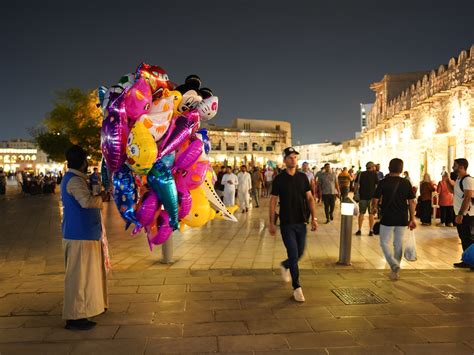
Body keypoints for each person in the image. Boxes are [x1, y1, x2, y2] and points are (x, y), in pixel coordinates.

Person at [61, 145, 107, 330]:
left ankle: (82, 312)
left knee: (84, 277)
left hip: (84, 234)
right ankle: (75, 317)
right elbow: (86, 202)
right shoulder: (75, 181)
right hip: (79, 235)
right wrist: (102, 198)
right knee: (78, 279)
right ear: (82, 162)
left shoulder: (75, 179)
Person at [269, 147, 317, 302]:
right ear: (284, 160)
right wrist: (271, 222)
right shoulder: (279, 179)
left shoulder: (303, 178)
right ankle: (297, 287)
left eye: (295, 157)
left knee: (300, 253)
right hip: (287, 223)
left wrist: (314, 218)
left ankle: (285, 265)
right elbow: (273, 201)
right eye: (290, 157)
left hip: (301, 222)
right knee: (294, 254)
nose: (293, 159)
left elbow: (310, 198)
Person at [372, 158, 416, 280]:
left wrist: (374, 208)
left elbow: (375, 199)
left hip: (387, 217)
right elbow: (412, 201)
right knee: (398, 243)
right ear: (401, 169)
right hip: (402, 217)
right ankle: (394, 271)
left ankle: (393, 263)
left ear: (389, 167)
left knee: (384, 242)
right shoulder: (406, 183)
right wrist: (412, 218)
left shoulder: (383, 182)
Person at [446, 158, 473, 269]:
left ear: (461, 167)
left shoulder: (468, 180)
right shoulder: (459, 179)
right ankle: (467, 260)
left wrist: (461, 214)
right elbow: (453, 192)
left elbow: (467, 197)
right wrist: (447, 181)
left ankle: (472, 261)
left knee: (469, 238)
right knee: (463, 237)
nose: (453, 167)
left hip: (468, 215)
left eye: (455, 165)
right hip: (460, 213)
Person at [354, 162, 378, 236]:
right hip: (372, 197)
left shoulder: (361, 174)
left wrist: (355, 193)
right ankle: (371, 230)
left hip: (362, 197)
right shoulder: (375, 174)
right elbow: (377, 186)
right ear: (372, 167)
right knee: (371, 214)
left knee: (361, 213)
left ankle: (359, 230)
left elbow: (356, 184)